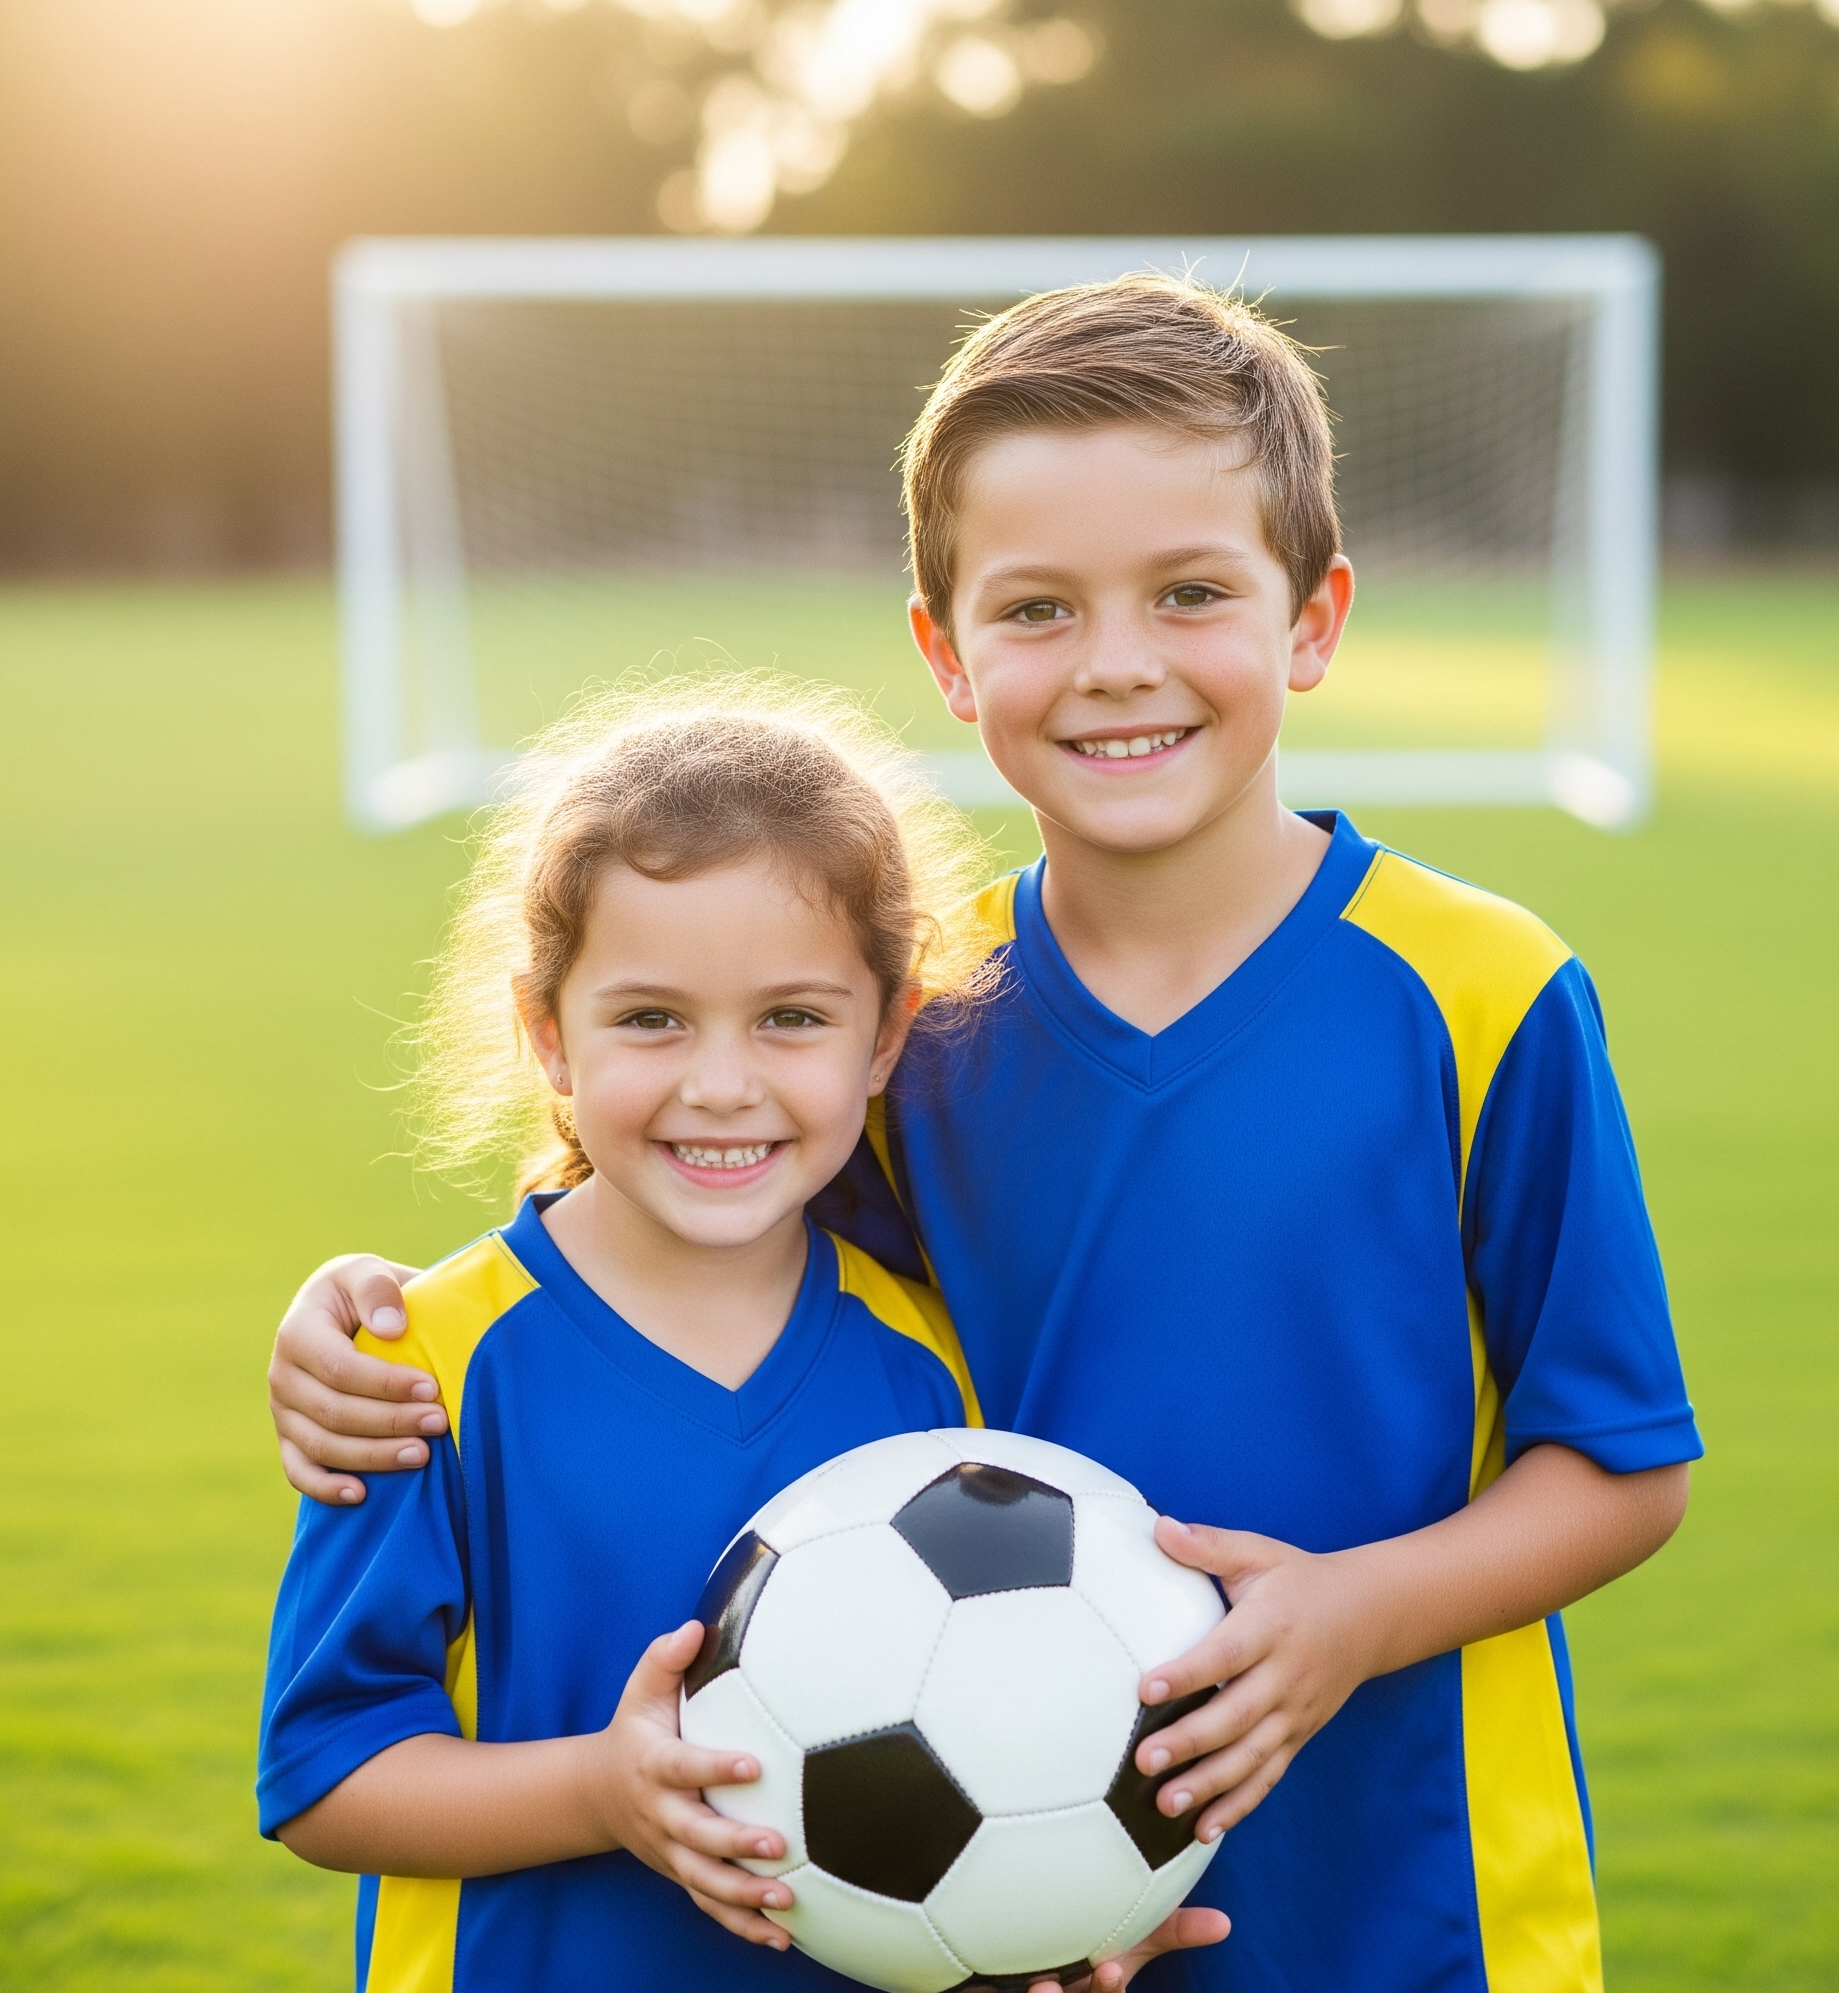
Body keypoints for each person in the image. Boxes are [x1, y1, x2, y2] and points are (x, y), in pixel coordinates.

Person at [270, 276, 1700, 1993]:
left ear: (1310, 617)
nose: (1116, 666)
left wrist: (1350, 1619)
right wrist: (352, 1317)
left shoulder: (1482, 994)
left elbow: (1622, 1468)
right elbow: (671, 1230)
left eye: (1189, 594)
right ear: (945, 653)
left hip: (1416, 1903)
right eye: (1036, 608)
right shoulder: (916, 1023)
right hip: (1013, 1901)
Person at [257, 682, 1222, 1993]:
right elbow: (328, 1781)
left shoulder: (932, 1365)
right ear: (548, 1036)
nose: (722, 1083)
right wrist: (605, 1794)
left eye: (792, 1018)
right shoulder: (423, 1368)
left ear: (886, 1035)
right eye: (650, 1018)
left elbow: (1002, 1718)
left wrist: (1041, 1918)